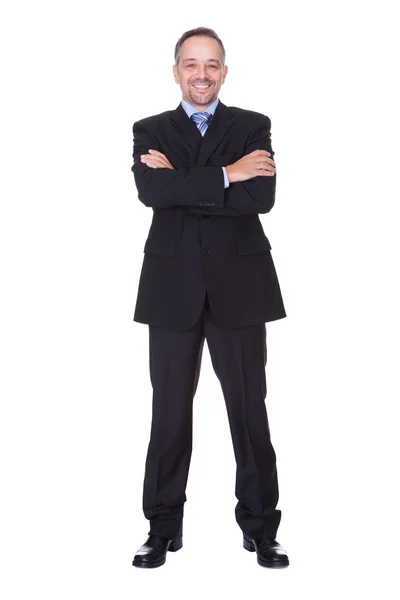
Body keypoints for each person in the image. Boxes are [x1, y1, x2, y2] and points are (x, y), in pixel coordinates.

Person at [130, 27, 289, 569]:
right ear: (175, 71)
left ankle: (262, 530)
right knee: (169, 413)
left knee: (248, 413)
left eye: (212, 65)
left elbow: (259, 197)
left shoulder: (253, 125)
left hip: (240, 291)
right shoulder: (150, 129)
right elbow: (153, 192)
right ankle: (161, 528)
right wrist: (227, 173)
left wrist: (189, 184)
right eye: (192, 64)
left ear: (225, 71)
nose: (202, 74)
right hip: (171, 290)